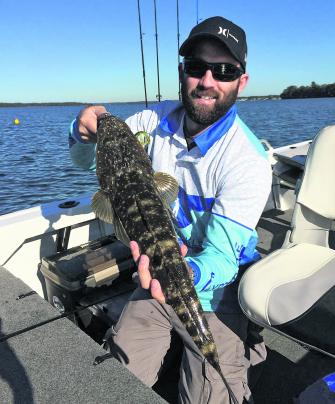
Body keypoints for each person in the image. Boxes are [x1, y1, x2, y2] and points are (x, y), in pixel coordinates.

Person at [69, 16, 272, 404]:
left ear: (241, 82)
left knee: (211, 394)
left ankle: (246, 345)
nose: (208, 81)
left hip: (218, 291)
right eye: (197, 67)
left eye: (224, 70)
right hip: (154, 280)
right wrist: (80, 132)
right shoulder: (148, 124)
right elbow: (88, 162)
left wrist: (185, 273)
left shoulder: (248, 161)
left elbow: (222, 257)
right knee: (114, 379)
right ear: (183, 71)